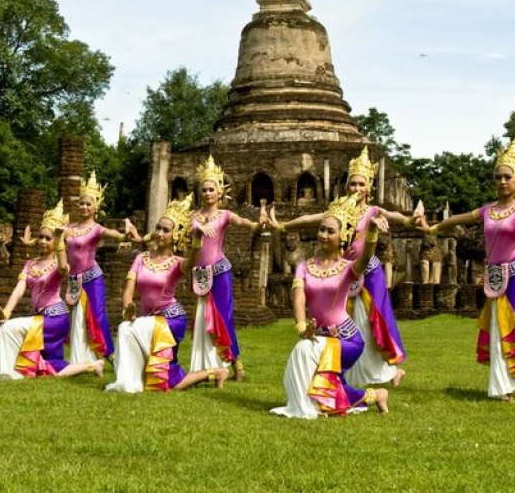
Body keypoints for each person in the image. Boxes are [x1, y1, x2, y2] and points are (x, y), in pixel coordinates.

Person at [419, 138, 515, 402]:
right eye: (498, 177)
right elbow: (459, 219)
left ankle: (511, 387)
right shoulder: (488, 210)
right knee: (497, 329)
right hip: (494, 275)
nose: (502, 181)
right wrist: (433, 228)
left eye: (507, 177)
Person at [270, 147, 410, 387]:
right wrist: (282, 225)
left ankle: (389, 370)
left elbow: (395, 216)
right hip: (339, 275)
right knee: (343, 324)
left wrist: (410, 221)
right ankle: (353, 372)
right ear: (346, 186)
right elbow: (309, 219)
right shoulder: (337, 213)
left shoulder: (373, 211)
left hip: (367, 272)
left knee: (372, 322)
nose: (356, 189)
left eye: (361, 184)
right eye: (352, 183)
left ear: (369, 188)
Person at [271, 195, 390, 418]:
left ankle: (304, 407)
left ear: (342, 236)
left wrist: (372, 232)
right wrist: (301, 327)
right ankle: (375, 395)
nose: (323, 235)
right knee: (326, 383)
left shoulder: (347, 268)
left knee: (305, 351)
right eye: (322, 229)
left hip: (347, 340)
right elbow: (299, 298)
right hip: (317, 335)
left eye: (330, 231)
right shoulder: (304, 267)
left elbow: (365, 259)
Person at [106, 194, 228, 393]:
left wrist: (197, 238)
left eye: (166, 230)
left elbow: (191, 261)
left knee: (130, 331)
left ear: (175, 236)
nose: (160, 233)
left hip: (171, 320)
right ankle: (215, 372)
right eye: (158, 228)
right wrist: (128, 307)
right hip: (147, 321)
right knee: (168, 380)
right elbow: (128, 291)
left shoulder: (177, 263)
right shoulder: (140, 258)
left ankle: (129, 384)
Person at [0, 200, 105, 380]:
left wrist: (61, 241)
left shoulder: (58, 264)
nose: (43, 241)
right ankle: (91, 366)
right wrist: (6, 311)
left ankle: (6, 372)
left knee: (9, 329)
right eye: (41, 237)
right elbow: (19, 289)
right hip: (41, 317)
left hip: (54, 318)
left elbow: (63, 268)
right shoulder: (30, 264)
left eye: (48, 238)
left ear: (56, 241)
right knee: (48, 367)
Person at [188, 155, 264, 381]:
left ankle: (236, 363)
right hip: (200, 274)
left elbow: (244, 223)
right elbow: (184, 231)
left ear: (220, 192)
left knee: (223, 317)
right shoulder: (193, 216)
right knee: (202, 317)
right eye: (204, 190)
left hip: (219, 272)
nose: (208, 193)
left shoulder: (225, 215)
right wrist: (199, 228)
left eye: (212, 189)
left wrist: (258, 223)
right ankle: (206, 365)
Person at [63, 171, 135, 365]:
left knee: (97, 316)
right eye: (82, 203)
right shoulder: (69, 228)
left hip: (92, 279)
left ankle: (110, 354)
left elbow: (115, 235)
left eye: (89, 203)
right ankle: (82, 358)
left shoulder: (96, 229)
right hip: (73, 280)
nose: (85, 206)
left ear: (96, 207)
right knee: (76, 319)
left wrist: (125, 235)